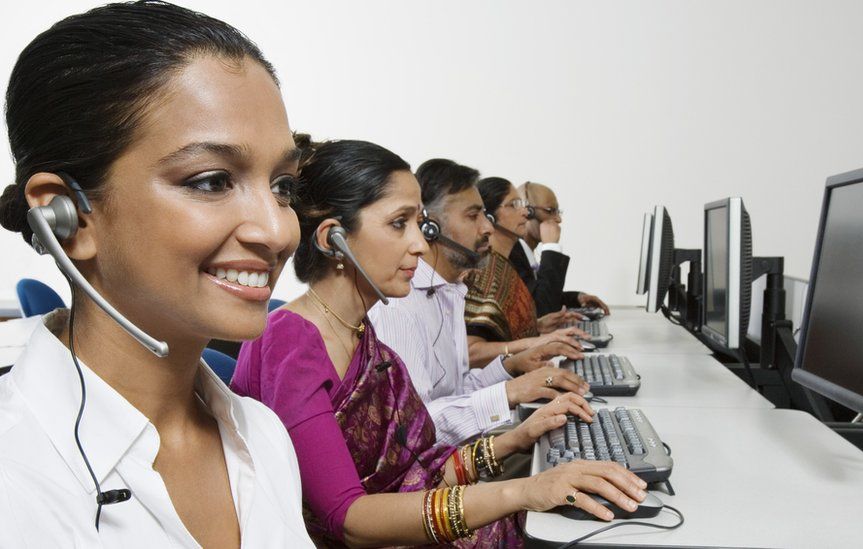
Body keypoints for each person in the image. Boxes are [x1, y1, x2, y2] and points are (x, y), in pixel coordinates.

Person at [233, 138, 650, 547]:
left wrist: (518, 439)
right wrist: (524, 490)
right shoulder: (289, 342)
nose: (419, 243)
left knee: (593, 525)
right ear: (333, 240)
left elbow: (418, 472)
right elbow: (350, 520)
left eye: (419, 223)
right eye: (400, 223)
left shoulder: (360, 335)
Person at [0, 2, 313, 546]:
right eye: (212, 181)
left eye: (283, 186)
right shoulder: (14, 475)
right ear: (66, 217)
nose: (279, 231)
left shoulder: (262, 436)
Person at [369, 163, 591, 447]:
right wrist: (509, 392)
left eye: (485, 214)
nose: (488, 227)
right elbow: (415, 427)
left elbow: (458, 391)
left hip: (463, 453)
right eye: (473, 216)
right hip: (435, 474)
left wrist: (511, 366)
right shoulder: (399, 307)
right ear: (429, 227)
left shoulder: (448, 292)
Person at [465, 177, 586, 352]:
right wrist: (534, 342)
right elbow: (471, 353)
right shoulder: (482, 271)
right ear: (488, 217)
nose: (525, 212)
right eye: (514, 204)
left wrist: (535, 327)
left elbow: (501, 330)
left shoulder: (504, 265)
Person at [510, 180, 610, 316]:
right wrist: (551, 248)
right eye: (550, 211)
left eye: (558, 211)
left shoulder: (524, 252)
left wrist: (576, 298)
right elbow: (542, 309)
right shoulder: (512, 255)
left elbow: (537, 294)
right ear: (528, 212)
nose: (558, 219)